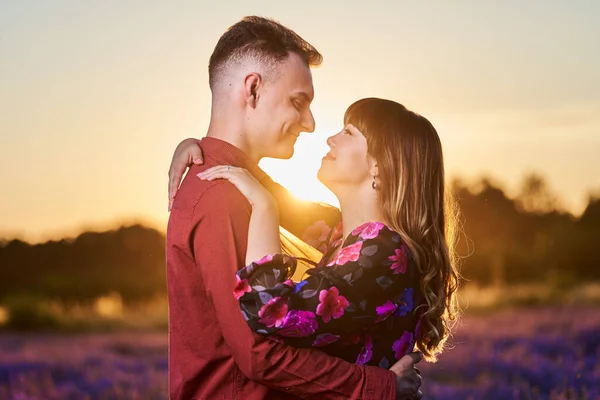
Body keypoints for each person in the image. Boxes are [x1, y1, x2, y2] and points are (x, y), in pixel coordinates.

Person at [166, 16, 423, 400]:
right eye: (297, 102)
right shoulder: (225, 195)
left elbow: (293, 212)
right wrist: (380, 388)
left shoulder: (241, 187)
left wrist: (198, 146)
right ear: (252, 90)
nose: (310, 123)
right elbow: (258, 354)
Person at [172, 97, 460, 381]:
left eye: (348, 132)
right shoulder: (343, 232)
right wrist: (201, 151)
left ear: (381, 166)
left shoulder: (382, 250)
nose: (330, 139)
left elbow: (270, 310)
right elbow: (269, 188)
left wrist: (264, 207)